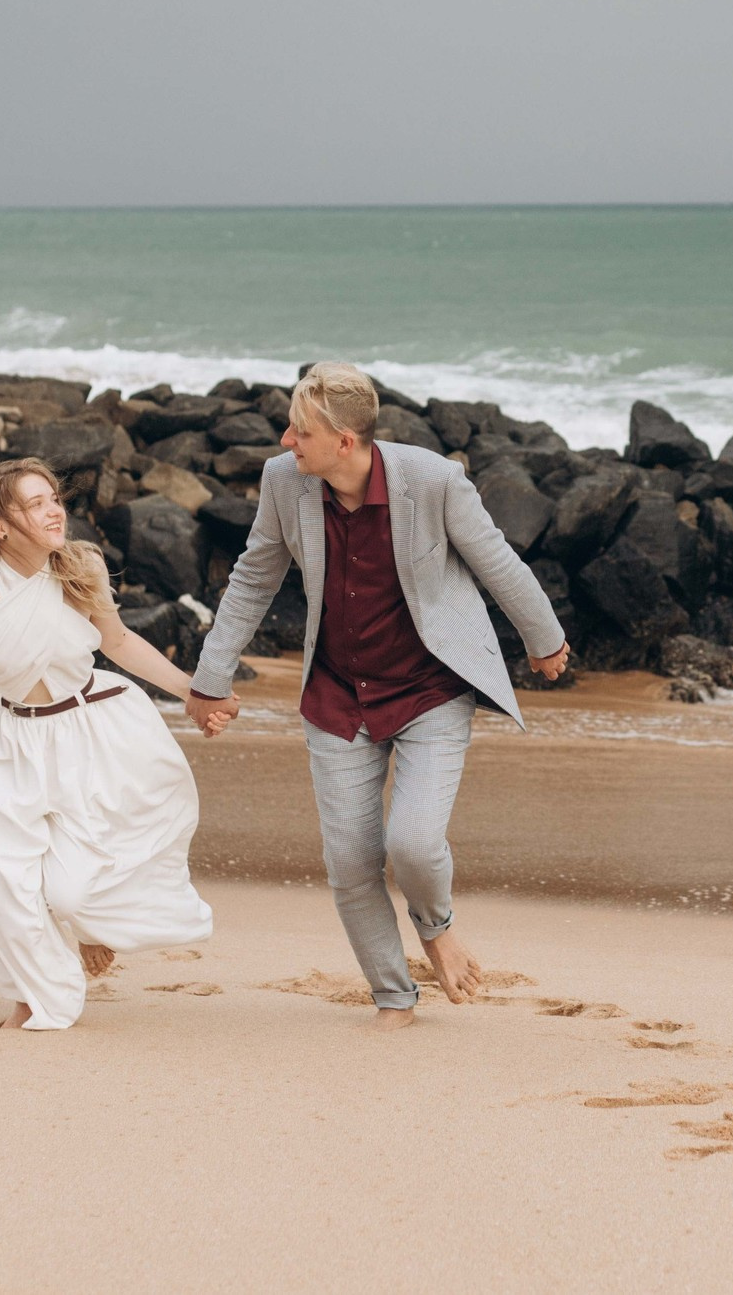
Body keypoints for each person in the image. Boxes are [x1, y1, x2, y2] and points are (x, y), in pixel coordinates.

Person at [185, 362, 570, 1029]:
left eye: (299, 431)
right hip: (337, 690)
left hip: (429, 688)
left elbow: (497, 561)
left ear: (344, 440)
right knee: (351, 861)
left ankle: (436, 926)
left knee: (415, 843)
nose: (284, 441)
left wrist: (544, 639)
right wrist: (209, 678)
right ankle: (394, 996)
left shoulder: (433, 481)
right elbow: (254, 577)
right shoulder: (286, 483)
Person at [0, 457, 219, 1030]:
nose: (55, 510)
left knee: (70, 891)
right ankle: (31, 999)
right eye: (36, 502)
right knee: (11, 882)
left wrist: (193, 693)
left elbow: (118, 641)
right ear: (0, 524)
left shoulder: (81, 566)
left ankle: (92, 929)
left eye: (54, 498)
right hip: (3, 739)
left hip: (88, 732)